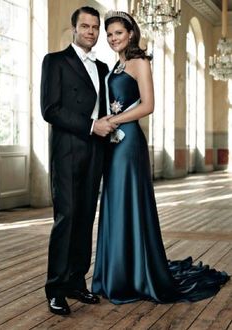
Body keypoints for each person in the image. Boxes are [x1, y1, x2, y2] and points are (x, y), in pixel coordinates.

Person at [92, 10, 230, 304]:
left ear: (131, 33)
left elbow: (149, 105)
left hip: (129, 143)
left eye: (118, 33)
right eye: (110, 34)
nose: (113, 38)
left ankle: (134, 274)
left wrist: (114, 121)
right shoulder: (117, 65)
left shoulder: (140, 62)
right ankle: (117, 272)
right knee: (115, 201)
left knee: (129, 201)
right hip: (113, 143)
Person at [40, 6, 117, 315]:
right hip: (68, 150)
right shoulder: (55, 61)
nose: (91, 31)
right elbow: (50, 109)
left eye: (95, 27)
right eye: (85, 26)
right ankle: (55, 288)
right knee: (66, 219)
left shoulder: (101, 67)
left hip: (96, 152)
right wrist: (91, 124)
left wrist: (108, 124)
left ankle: (76, 282)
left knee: (86, 218)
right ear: (74, 29)